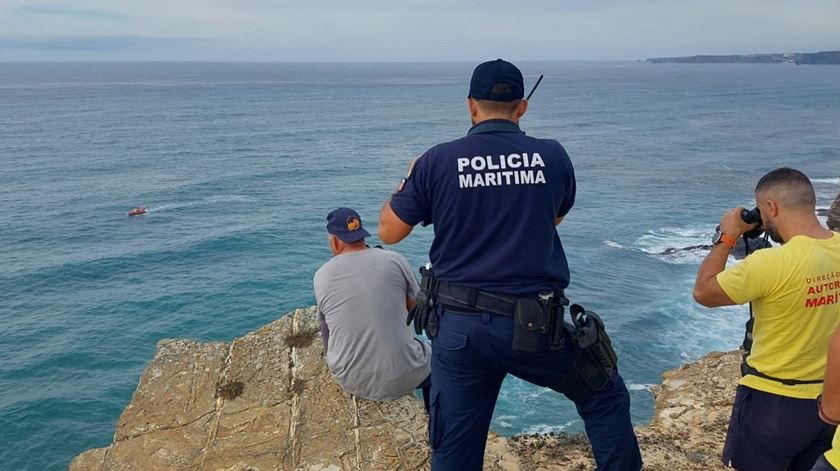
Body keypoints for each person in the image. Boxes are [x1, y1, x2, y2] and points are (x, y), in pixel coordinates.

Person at [378, 59, 641, 470]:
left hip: (458, 329)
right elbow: (553, 217)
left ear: (471, 106)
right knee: (604, 394)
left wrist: (407, 179)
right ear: (522, 107)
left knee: (454, 446)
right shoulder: (552, 156)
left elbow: (390, 232)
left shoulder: (437, 161)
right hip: (533, 327)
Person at [693, 167, 840, 471]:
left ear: (770, 208)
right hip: (829, 402)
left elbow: (704, 292)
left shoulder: (770, 263)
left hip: (773, 405)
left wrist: (727, 237)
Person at [313, 207, 432, 409]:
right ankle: (433, 419)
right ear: (361, 234)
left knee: (324, 318)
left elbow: (329, 323)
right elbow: (415, 304)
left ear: (334, 241)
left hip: (351, 379)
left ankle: (334, 358)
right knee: (436, 362)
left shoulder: (321, 275)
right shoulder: (394, 259)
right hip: (405, 375)